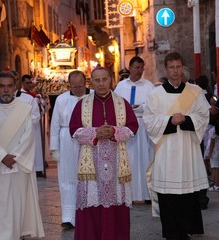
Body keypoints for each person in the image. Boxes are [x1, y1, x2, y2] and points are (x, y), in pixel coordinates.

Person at [143, 52, 210, 240]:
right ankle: (172, 232)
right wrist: (169, 120)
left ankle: (187, 229)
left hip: (187, 147)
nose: (175, 71)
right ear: (166, 68)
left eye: (178, 67)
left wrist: (186, 119)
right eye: (172, 67)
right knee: (168, 193)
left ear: (183, 68)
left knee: (187, 193)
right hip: (166, 149)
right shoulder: (156, 94)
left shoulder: (194, 91)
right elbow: (149, 121)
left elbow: (204, 116)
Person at [69, 67, 138, 240]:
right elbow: (74, 130)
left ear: (110, 80)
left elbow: (132, 127)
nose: (101, 84)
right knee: (91, 208)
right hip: (92, 163)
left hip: (116, 163)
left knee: (116, 207)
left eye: (104, 79)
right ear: (91, 82)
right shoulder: (82, 104)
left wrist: (114, 132)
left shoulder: (122, 103)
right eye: (97, 80)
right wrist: (95, 133)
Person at [0, 71, 44, 240]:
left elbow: (28, 137)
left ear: (15, 88)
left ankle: (19, 232)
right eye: (2, 86)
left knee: (18, 202)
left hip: (18, 163)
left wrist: (14, 156)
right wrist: (2, 156)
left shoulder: (24, 109)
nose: (6, 90)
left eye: (9, 86)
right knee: (0, 202)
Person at [50, 70, 92, 229]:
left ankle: (88, 214)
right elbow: (54, 124)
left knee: (88, 177)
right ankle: (68, 216)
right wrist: (55, 148)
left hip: (89, 139)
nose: (78, 90)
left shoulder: (93, 96)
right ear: (69, 85)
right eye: (74, 87)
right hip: (67, 139)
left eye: (80, 86)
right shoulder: (61, 99)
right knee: (67, 178)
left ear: (86, 83)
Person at [114, 56, 154, 204]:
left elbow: (153, 105)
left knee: (145, 158)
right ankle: (128, 193)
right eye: (136, 68)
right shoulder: (121, 86)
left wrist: (140, 107)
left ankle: (147, 194)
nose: (139, 71)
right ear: (130, 68)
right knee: (129, 158)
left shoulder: (149, 86)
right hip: (126, 126)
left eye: (141, 68)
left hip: (143, 125)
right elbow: (116, 104)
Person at [20, 74, 45, 177]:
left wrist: (41, 103)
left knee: (37, 146)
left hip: (35, 126)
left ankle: (38, 167)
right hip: (26, 126)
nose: (30, 85)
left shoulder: (34, 95)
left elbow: (42, 111)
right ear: (22, 83)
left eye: (30, 82)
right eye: (27, 83)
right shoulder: (20, 96)